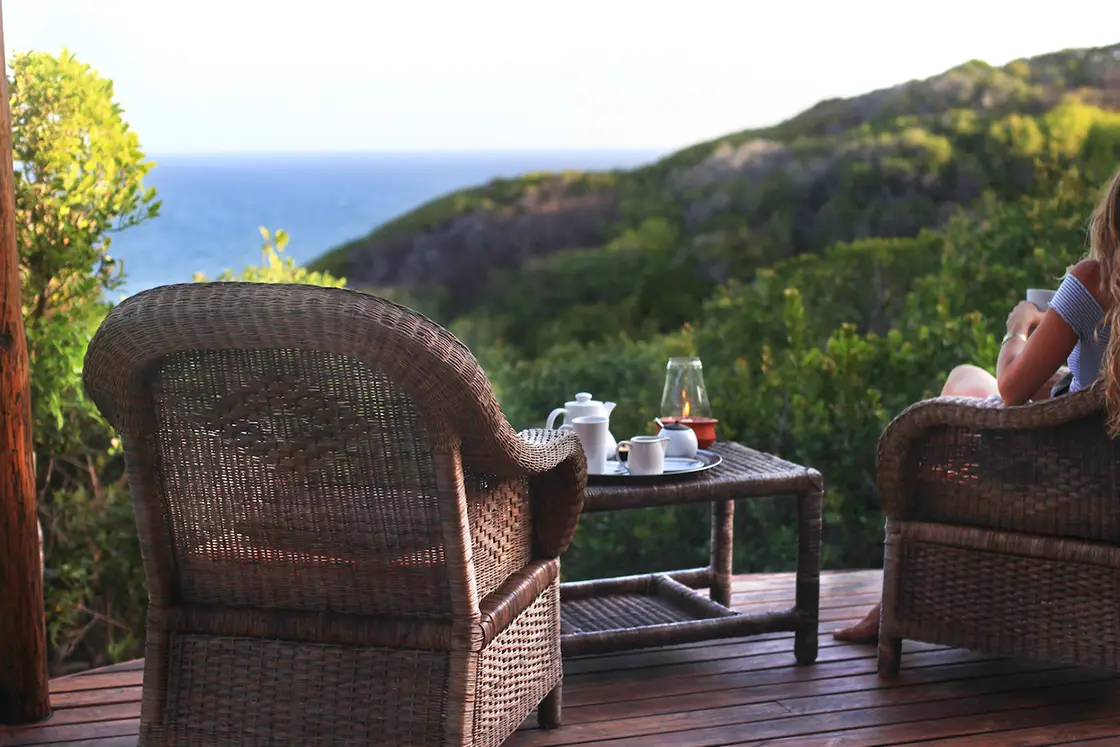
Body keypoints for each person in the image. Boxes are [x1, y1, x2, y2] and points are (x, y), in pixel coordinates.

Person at [834, 167, 1120, 644]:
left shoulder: (1092, 282)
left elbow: (1010, 390)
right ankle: (891, 603)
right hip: (1106, 483)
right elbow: (1098, 394)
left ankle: (894, 602)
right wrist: (1068, 383)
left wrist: (1020, 328)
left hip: (1060, 479)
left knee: (966, 381)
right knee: (971, 385)